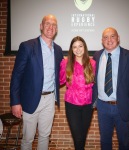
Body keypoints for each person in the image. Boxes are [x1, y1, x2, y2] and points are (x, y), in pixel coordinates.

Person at [10, 14, 63, 150]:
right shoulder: (27, 46)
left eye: (54, 25)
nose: (50, 27)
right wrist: (15, 102)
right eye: (47, 24)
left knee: (45, 136)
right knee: (28, 138)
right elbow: (17, 75)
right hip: (30, 99)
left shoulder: (58, 50)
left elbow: (59, 75)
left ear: (56, 29)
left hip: (50, 99)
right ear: (41, 26)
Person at [92, 27, 129, 150]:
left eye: (112, 36)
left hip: (122, 106)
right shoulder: (97, 56)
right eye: (105, 37)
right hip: (103, 107)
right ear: (102, 40)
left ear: (118, 38)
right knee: (105, 141)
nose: (109, 40)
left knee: (124, 142)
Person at [60, 36, 96, 150]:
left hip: (88, 104)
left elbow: (96, 83)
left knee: (83, 135)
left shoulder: (92, 63)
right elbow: (60, 80)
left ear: (84, 47)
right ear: (71, 49)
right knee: (77, 136)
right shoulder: (66, 62)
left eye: (80, 46)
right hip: (71, 104)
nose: (78, 49)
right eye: (74, 47)